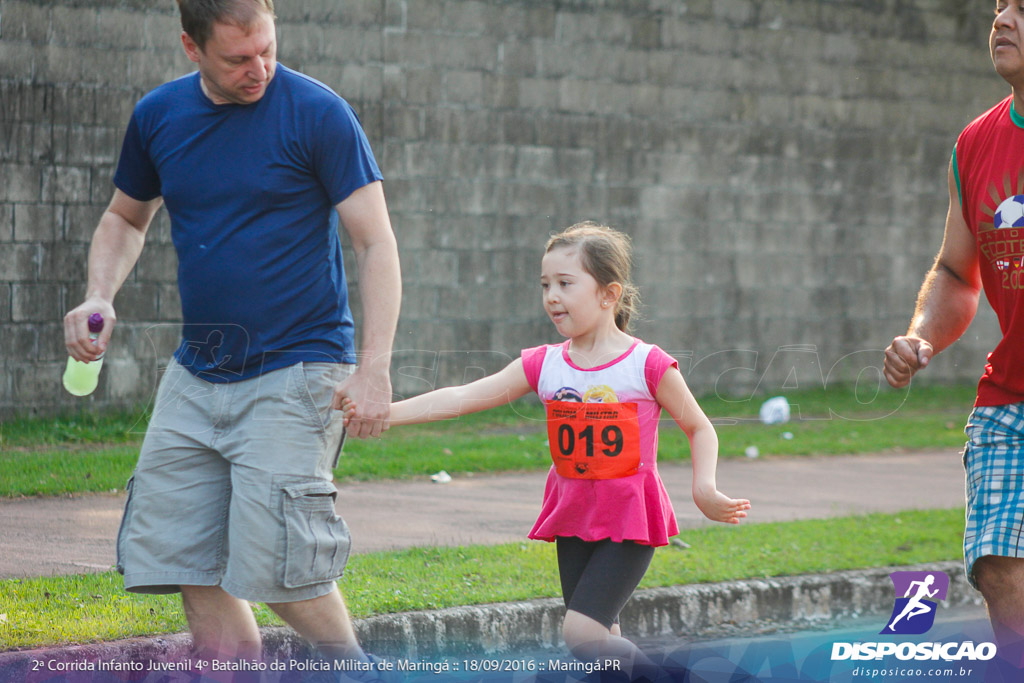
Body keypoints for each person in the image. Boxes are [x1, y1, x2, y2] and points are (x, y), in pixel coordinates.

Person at [62, 0, 401, 671]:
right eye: (238, 58)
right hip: (197, 370)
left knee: (282, 562)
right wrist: (99, 293)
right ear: (192, 48)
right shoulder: (160, 116)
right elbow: (125, 219)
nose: (260, 69)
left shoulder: (316, 112)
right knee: (184, 549)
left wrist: (375, 365)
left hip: (300, 365)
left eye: (267, 50)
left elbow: (375, 241)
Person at [341, 222, 750, 673]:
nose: (552, 296)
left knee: (582, 635)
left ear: (609, 294)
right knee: (603, 636)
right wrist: (385, 412)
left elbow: (699, 427)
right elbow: (462, 396)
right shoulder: (546, 363)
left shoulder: (646, 364)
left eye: (565, 284)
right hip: (574, 512)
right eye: (545, 285)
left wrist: (704, 488)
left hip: (629, 516)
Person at [883, 2, 1024, 663]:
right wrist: (922, 338)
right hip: (1009, 395)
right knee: (999, 567)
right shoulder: (975, 145)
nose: (1003, 19)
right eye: (1000, 6)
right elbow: (956, 271)